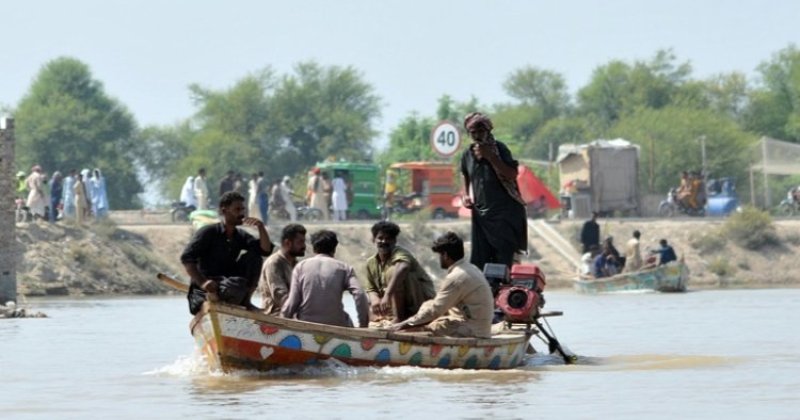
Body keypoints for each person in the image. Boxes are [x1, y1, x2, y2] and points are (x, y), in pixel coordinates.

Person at [180, 191, 274, 315]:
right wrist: (203, 282)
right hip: (206, 290)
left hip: (229, 285)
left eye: (242, 209)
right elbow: (187, 258)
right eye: (237, 209)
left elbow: (265, 250)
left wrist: (261, 227)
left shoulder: (240, 236)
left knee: (255, 257)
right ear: (225, 211)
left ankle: (246, 301)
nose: (241, 213)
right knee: (234, 287)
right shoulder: (208, 232)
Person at [389, 232, 494, 339]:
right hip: (480, 327)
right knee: (428, 306)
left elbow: (435, 310)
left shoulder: (457, 276)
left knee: (426, 327)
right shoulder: (471, 268)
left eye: (440, 255)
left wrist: (403, 324)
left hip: (472, 330)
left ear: (445, 255)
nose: (439, 259)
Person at [459, 112, 527, 270]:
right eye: (473, 132)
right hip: (482, 214)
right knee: (480, 260)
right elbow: (465, 174)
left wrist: (490, 157)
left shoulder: (500, 149)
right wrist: (465, 195)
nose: (477, 136)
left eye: (480, 131)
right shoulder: (467, 154)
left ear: (488, 131)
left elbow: (512, 174)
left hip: (504, 214)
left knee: (503, 258)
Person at [281, 230, 369, 328]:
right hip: (336, 324)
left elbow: (292, 301)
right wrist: (363, 325)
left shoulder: (300, 267)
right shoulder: (344, 268)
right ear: (334, 249)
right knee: (347, 319)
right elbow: (360, 294)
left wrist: (282, 321)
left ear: (314, 248)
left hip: (306, 323)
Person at [364, 221, 435, 322]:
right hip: (391, 305)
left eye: (388, 239)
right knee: (365, 300)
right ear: (374, 240)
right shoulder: (370, 263)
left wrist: (387, 294)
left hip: (419, 302)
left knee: (393, 272)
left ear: (394, 241)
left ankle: (399, 317)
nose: (383, 241)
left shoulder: (401, 253)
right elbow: (371, 288)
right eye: (380, 238)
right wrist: (375, 299)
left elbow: (403, 268)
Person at [259, 223, 307, 315]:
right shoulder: (274, 263)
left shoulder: (296, 264)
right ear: (288, 243)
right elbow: (280, 295)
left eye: (304, 242)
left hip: (294, 313)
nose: (304, 246)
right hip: (276, 314)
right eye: (300, 242)